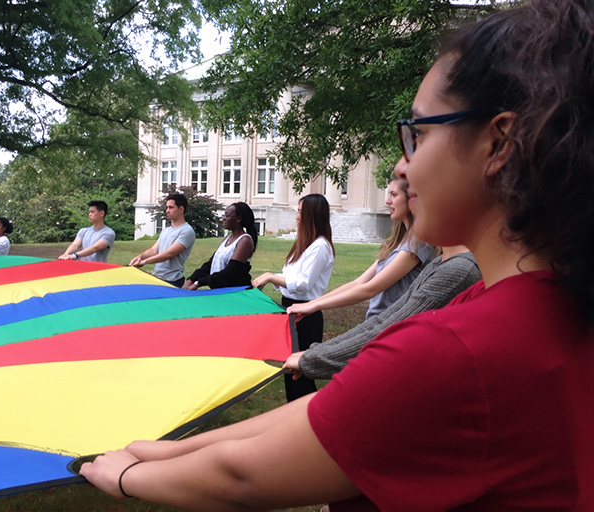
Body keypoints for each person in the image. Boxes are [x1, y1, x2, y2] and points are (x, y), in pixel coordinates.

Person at [80, 2, 594, 509]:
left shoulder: (461, 348)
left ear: (498, 143)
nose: (403, 166)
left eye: (419, 133)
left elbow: (246, 477)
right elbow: (324, 410)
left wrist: (127, 476)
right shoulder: (529, 305)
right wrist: (172, 449)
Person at [283, 246, 481, 380]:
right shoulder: (440, 263)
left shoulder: (458, 270)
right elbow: (383, 319)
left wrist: (313, 358)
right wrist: (314, 352)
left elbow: (392, 327)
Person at [287, 177, 436, 322]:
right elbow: (359, 283)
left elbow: (371, 289)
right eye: (388, 194)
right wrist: (311, 304)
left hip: (391, 329)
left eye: (394, 195)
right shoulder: (397, 241)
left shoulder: (420, 241)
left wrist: (315, 305)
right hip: (376, 324)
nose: (387, 201)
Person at [251, 194, 335, 401]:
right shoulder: (305, 245)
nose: (296, 217)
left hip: (306, 315)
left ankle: (309, 417)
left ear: (311, 216)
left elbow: (301, 284)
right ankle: (296, 417)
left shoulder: (320, 247)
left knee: (302, 373)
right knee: (291, 370)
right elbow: (290, 279)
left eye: (300, 212)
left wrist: (271, 277)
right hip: (292, 310)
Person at [183, 202, 257, 290]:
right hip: (220, 291)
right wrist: (191, 279)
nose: (223, 219)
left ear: (238, 219)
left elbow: (231, 271)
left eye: (227, 216)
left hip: (236, 293)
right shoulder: (228, 238)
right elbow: (210, 264)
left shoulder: (245, 240)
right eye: (223, 215)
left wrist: (199, 283)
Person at [129, 193, 195, 287]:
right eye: (167, 207)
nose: (167, 211)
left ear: (181, 209)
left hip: (173, 280)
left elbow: (169, 254)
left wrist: (145, 262)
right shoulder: (167, 230)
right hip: (158, 277)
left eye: (171, 207)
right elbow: (154, 250)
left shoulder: (187, 231)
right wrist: (140, 257)